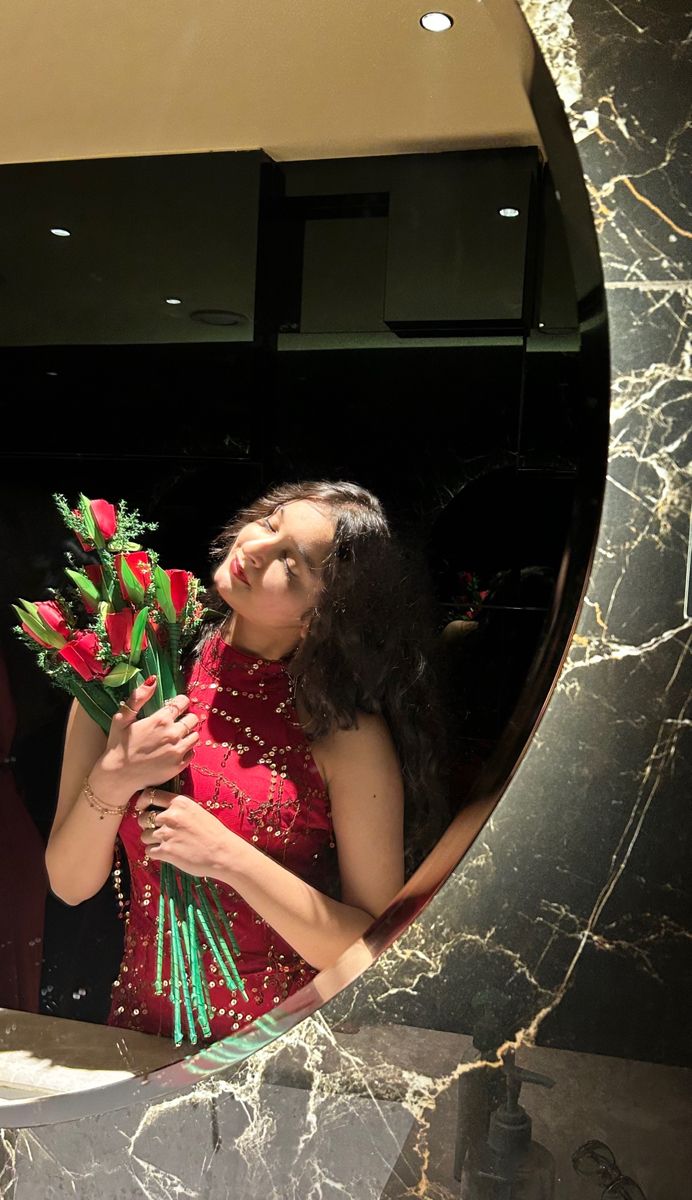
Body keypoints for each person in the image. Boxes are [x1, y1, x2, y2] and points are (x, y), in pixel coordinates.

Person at [45, 480, 449, 1042]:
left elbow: (370, 955)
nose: (254, 548)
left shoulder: (346, 737)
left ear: (323, 615)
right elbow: (68, 884)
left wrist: (226, 857)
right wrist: (113, 781)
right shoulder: (130, 675)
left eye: (293, 562)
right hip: (139, 1043)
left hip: (275, 1061)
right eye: (271, 522)